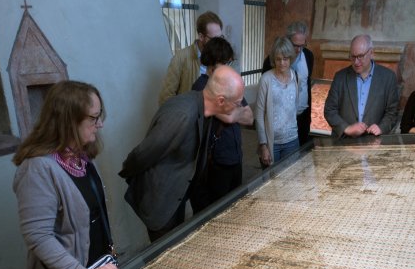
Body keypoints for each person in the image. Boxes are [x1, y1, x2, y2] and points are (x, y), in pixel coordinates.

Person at [12, 80, 119, 269]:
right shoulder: (38, 169)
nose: (99, 124)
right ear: (69, 121)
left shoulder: (81, 155)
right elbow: (38, 236)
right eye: (93, 118)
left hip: (97, 265)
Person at [120, 66, 246, 242]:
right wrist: (127, 173)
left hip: (177, 194)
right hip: (161, 202)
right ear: (221, 100)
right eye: (237, 102)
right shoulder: (182, 115)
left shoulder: (204, 108)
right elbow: (143, 153)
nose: (240, 106)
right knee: (164, 254)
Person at [189, 37, 253, 212]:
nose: (227, 67)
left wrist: (234, 112)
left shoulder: (229, 83)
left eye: (228, 63)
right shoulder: (201, 87)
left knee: (235, 210)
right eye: (223, 63)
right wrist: (236, 112)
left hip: (235, 158)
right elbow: (230, 118)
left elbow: (249, 117)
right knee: (216, 213)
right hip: (215, 164)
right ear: (211, 64)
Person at [323, 34, 399, 138]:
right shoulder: (340, 77)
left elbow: (392, 112)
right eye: (353, 57)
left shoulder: (388, 77)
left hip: (374, 141)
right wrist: (346, 128)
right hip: (344, 142)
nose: (356, 62)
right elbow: (329, 110)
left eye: (360, 56)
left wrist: (381, 127)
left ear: (371, 53)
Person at [262, 21, 314, 146]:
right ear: (288, 40)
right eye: (296, 45)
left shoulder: (308, 56)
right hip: (280, 121)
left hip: (303, 115)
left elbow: (305, 85)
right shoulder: (271, 61)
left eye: (303, 45)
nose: (299, 49)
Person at [158, 11, 224, 106]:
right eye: (214, 40)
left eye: (220, 38)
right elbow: (165, 97)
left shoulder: (220, 57)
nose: (218, 44)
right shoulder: (181, 57)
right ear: (201, 37)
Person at [255, 37, 300, 168]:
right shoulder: (266, 79)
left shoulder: (295, 76)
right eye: (278, 59)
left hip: (292, 140)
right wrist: (263, 146)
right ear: (273, 59)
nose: (282, 63)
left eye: (285, 59)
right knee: (271, 183)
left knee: (290, 181)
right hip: (271, 142)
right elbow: (258, 115)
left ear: (290, 58)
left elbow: (294, 107)